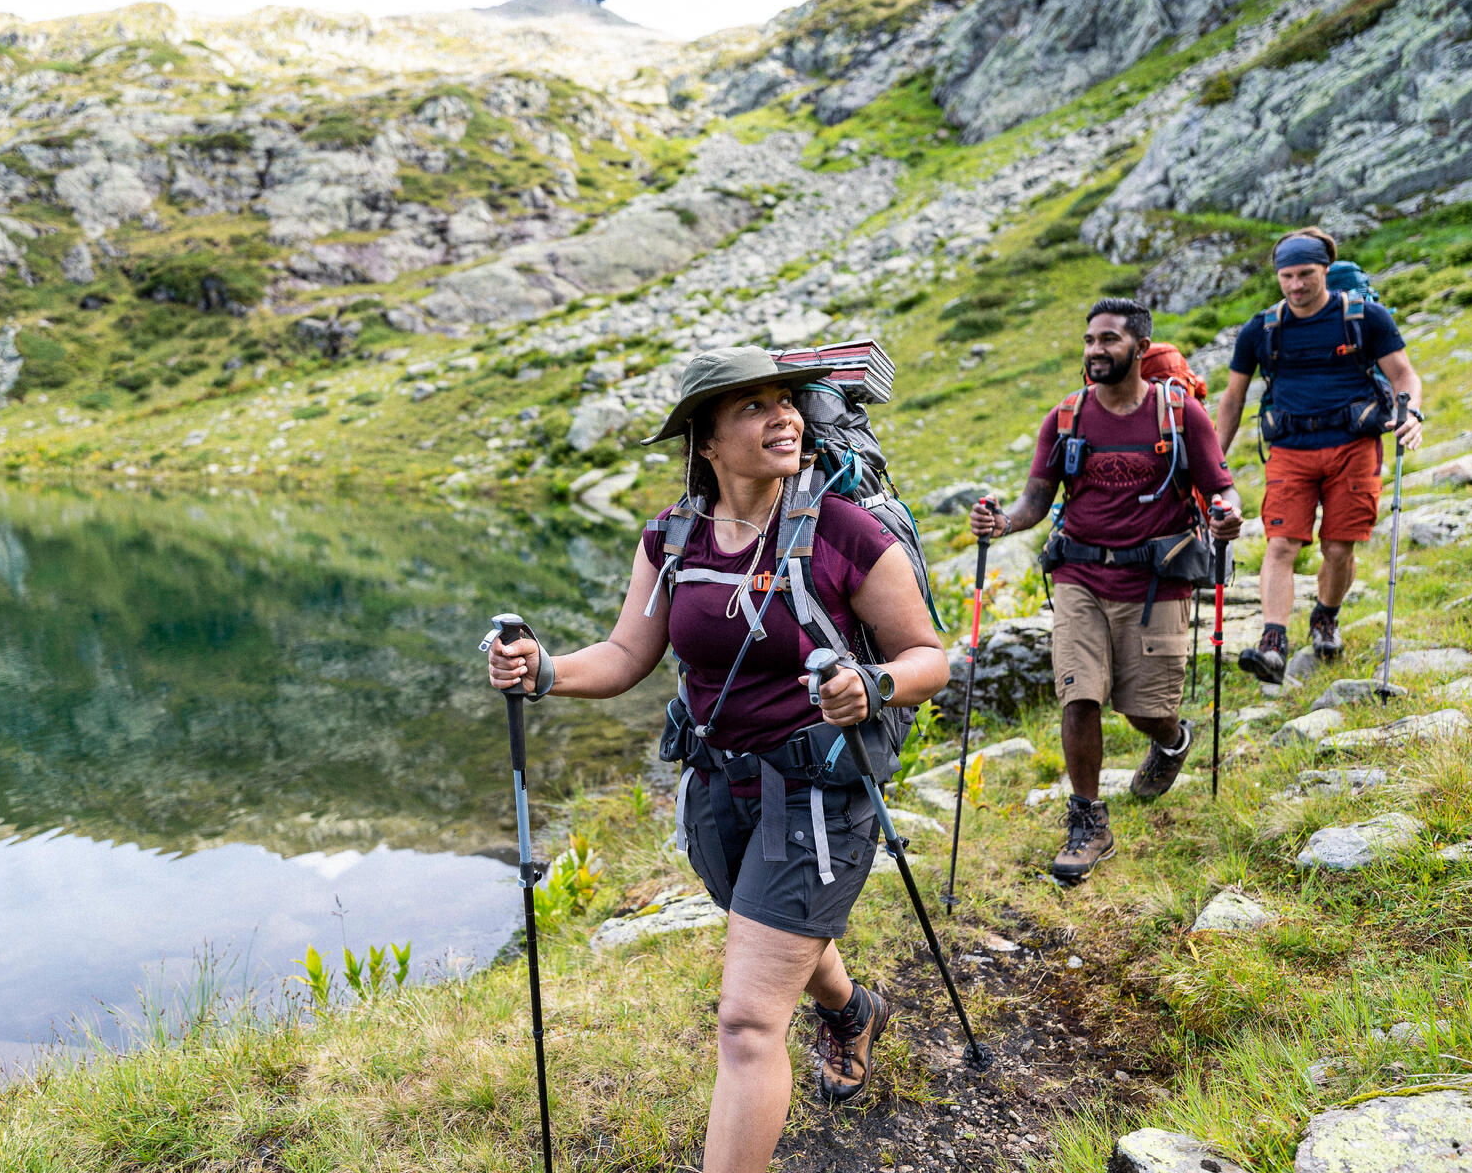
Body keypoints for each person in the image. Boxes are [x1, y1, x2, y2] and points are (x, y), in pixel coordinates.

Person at [485, 347, 948, 1173]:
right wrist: (547, 672)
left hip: (816, 797)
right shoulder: (671, 536)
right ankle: (851, 1010)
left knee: (746, 1021)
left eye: (787, 403)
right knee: (768, 933)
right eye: (753, 408)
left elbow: (930, 658)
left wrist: (872, 684)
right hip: (716, 793)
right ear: (704, 441)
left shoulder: (844, 532)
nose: (783, 418)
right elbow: (629, 653)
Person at [971, 299, 1241, 882]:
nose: (1096, 350)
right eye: (1090, 339)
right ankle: (1088, 821)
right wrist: (1002, 524)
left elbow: (1221, 487)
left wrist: (1225, 516)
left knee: (1146, 711)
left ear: (1140, 350)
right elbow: (1034, 503)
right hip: (1080, 576)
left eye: (1110, 340)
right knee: (1080, 695)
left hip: (1157, 579)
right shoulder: (1065, 418)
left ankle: (1170, 741)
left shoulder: (1179, 414)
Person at [1211, 228, 1424, 682]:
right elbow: (1232, 399)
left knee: (1338, 547)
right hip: (1290, 449)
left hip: (1354, 446)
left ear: (1325, 270)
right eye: (1286, 276)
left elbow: (1404, 373)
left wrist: (1414, 413)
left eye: (1305, 274)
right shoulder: (1260, 330)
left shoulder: (1366, 318)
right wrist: (1214, 461)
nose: (1296, 285)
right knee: (1281, 543)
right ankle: (1273, 644)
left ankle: (1325, 617)